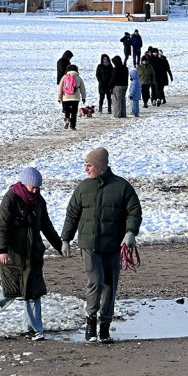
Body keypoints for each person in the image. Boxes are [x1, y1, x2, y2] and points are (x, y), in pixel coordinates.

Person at [61, 147, 142, 343]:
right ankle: (91, 323)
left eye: (88, 165)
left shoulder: (122, 187)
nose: (85, 169)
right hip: (89, 245)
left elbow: (134, 211)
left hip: (113, 245)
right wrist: (65, 239)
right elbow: (72, 214)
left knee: (109, 286)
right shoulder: (82, 188)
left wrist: (130, 233)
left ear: (99, 166)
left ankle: (105, 327)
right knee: (95, 282)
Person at [0, 167, 63, 340]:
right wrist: (2, 250)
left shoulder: (39, 201)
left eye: (37, 187)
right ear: (23, 184)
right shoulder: (11, 198)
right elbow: (2, 225)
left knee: (34, 290)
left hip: (33, 252)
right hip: (14, 253)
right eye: (32, 187)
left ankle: (33, 329)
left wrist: (59, 245)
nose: (35, 190)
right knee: (14, 289)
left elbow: (46, 225)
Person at [57, 64, 87, 129]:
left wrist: (59, 97)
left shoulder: (64, 77)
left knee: (66, 111)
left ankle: (67, 121)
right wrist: (83, 97)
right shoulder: (78, 78)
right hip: (75, 98)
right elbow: (83, 89)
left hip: (66, 98)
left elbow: (60, 88)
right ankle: (73, 125)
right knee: (74, 112)